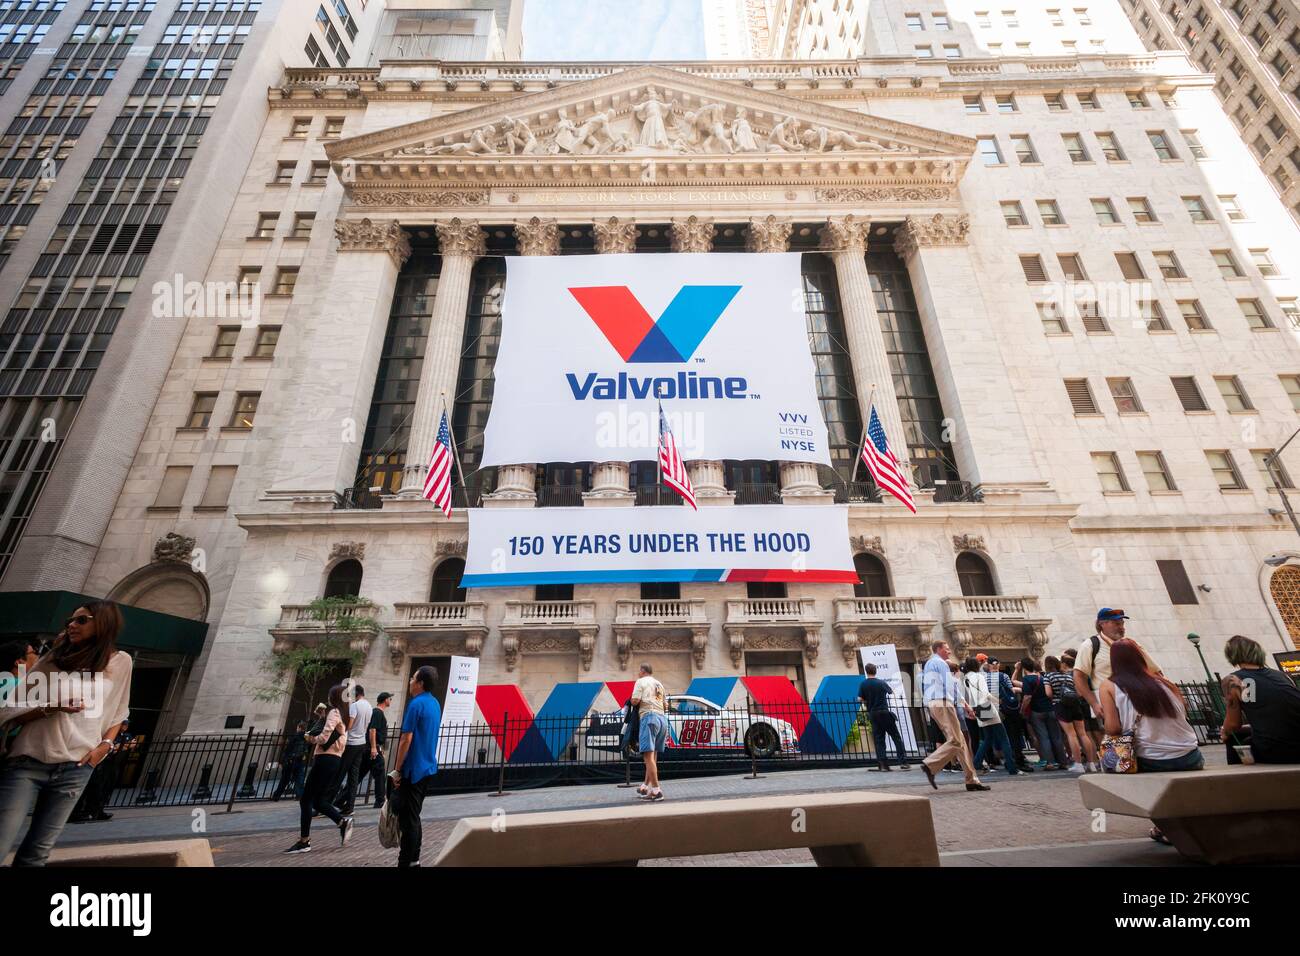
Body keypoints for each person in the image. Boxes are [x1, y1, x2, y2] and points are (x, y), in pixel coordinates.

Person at [0, 602, 132, 866]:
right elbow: (9, 710)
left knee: (37, 852)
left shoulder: (121, 662)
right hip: (29, 762)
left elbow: (119, 710)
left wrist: (104, 746)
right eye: (70, 621)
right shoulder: (52, 661)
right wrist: (52, 708)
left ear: (103, 623)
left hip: (77, 766)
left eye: (82, 620)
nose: (72, 625)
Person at [1100, 638, 1201, 845]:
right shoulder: (1166, 683)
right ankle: (1180, 823)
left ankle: (1165, 827)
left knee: (1118, 766)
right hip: (1191, 756)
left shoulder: (1109, 686)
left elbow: (1113, 729)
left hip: (1152, 761)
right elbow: (1184, 713)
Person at [1075, 608, 1161, 749]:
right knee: (1118, 738)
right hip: (1110, 703)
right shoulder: (1090, 645)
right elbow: (1079, 677)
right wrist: (1094, 703)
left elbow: (1154, 671)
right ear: (1102, 623)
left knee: (1144, 737)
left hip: (1138, 699)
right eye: (1116, 623)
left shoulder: (1131, 645)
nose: (1121, 627)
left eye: (1122, 623)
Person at [284, 683, 354, 854]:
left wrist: (310, 738)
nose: (328, 698)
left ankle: (304, 841)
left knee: (306, 799)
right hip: (334, 760)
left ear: (334, 697)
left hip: (325, 759)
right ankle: (342, 822)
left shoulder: (334, 712)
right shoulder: (343, 715)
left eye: (330, 695)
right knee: (319, 801)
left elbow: (324, 737)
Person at [390, 665, 442, 868]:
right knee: (413, 816)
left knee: (408, 820)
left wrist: (397, 768)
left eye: (412, 678)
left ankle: (405, 861)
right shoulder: (435, 703)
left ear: (420, 683)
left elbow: (406, 738)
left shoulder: (416, 704)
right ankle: (414, 860)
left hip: (413, 769)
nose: (410, 681)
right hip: (428, 767)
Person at [920, 641, 989, 792]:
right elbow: (950, 685)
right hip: (943, 702)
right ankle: (930, 764)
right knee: (956, 740)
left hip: (934, 703)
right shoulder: (940, 663)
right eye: (947, 648)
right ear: (939, 649)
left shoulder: (929, 664)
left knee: (961, 742)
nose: (949, 651)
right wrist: (965, 705)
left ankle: (972, 779)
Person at [1219, 635, 1300, 764]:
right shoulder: (1282, 675)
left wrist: (1224, 731)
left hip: (1278, 750)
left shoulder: (1233, 681)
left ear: (1231, 655)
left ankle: (1241, 780)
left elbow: (1233, 724)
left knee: (1233, 737)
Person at [69, 718, 130, 823]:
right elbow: (112, 748)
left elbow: (124, 746)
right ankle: (77, 812)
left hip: (112, 765)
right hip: (100, 764)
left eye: (126, 725)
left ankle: (96, 811)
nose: (125, 727)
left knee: (103, 790)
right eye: (124, 724)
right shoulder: (107, 734)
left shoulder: (123, 736)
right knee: (89, 788)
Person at [1045, 654, 1097, 772]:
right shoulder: (1067, 676)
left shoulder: (1048, 676)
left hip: (1061, 706)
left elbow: (1048, 693)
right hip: (1075, 705)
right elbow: (1079, 693)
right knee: (1083, 734)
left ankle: (1078, 764)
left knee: (1071, 734)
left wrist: (1056, 696)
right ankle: (1091, 763)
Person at [969, 662, 1021, 776]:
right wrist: (998, 701)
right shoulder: (979, 677)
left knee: (988, 738)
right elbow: (986, 693)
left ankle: (976, 763)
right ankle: (1012, 768)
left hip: (978, 707)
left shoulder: (967, 678)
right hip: (987, 706)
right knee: (1004, 738)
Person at [858, 663, 910, 771]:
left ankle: (883, 765)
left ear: (866, 671)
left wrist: (867, 700)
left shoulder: (863, 684)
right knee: (896, 737)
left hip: (873, 713)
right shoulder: (881, 683)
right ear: (875, 670)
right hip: (884, 712)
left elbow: (859, 699)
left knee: (879, 740)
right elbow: (890, 692)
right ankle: (903, 762)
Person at [1021, 658, 1068, 770]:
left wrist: (1022, 709)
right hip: (1051, 709)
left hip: (1037, 711)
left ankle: (1050, 763)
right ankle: (1062, 762)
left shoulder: (1027, 679)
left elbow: (1027, 697)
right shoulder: (1043, 677)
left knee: (1043, 738)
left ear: (1023, 668)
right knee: (1056, 737)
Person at [986, 658, 1032, 772]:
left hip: (993, 710)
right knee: (1013, 735)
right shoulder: (1004, 676)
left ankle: (1000, 759)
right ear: (999, 665)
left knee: (999, 736)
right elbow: (1011, 690)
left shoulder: (984, 677)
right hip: (1008, 709)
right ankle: (1016, 760)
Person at [630, 663, 668, 800]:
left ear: (642, 671)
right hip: (662, 720)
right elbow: (666, 705)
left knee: (647, 757)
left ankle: (657, 791)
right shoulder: (659, 684)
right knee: (652, 757)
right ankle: (646, 788)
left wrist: (631, 700)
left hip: (649, 717)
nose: (638, 674)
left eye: (639, 671)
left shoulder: (641, 682)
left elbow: (635, 701)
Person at [334, 683, 372, 815]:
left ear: (356, 694)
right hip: (361, 742)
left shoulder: (355, 706)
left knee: (339, 774)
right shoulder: (369, 706)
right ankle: (349, 806)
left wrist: (341, 729)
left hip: (351, 743)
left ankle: (326, 804)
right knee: (354, 777)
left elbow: (349, 725)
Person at [362, 692, 393, 809]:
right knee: (380, 774)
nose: (390, 700)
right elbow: (372, 730)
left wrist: (379, 748)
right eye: (390, 698)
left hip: (373, 748)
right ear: (385, 700)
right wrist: (374, 748)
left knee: (360, 774)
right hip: (372, 749)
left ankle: (341, 799)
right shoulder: (377, 712)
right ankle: (380, 800)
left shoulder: (377, 713)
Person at [271, 722, 308, 801]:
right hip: (300, 760)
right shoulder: (307, 737)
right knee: (299, 779)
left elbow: (288, 749)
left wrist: (282, 760)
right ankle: (299, 795)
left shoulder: (295, 736)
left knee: (284, 779)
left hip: (290, 760)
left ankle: (276, 796)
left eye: (298, 727)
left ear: (300, 728)